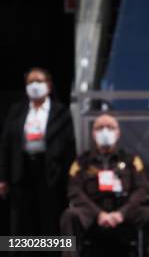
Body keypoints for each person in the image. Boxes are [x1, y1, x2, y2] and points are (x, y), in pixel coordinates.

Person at [60, 114, 149, 257]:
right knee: (69, 216)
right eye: (100, 128)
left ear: (118, 132)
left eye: (110, 127)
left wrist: (121, 213)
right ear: (93, 133)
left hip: (124, 210)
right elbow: (74, 190)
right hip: (92, 211)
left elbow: (141, 189)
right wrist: (99, 214)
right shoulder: (82, 162)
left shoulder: (131, 160)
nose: (105, 131)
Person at [0, 67, 75, 235]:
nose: (34, 85)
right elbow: (5, 145)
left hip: (51, 173)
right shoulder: (16, 111)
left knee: (50, 219)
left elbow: (69, 148)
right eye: (30, 82)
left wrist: (69, 179)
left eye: (39, 81)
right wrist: (2, 178)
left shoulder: (61, 112)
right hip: (21, 170)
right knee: (21, 222)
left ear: (48, 86)